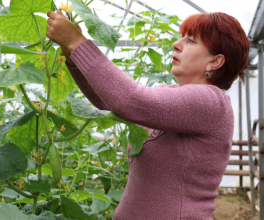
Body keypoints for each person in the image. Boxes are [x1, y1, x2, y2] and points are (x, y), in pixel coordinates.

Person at [46, 9, 249, 220]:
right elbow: (107, 100)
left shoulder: (211, 102)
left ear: (214, 62)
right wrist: (73, 53)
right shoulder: (175, 96)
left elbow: (132, 101)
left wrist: (77, 42)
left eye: (190, 41)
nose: (177, 44)